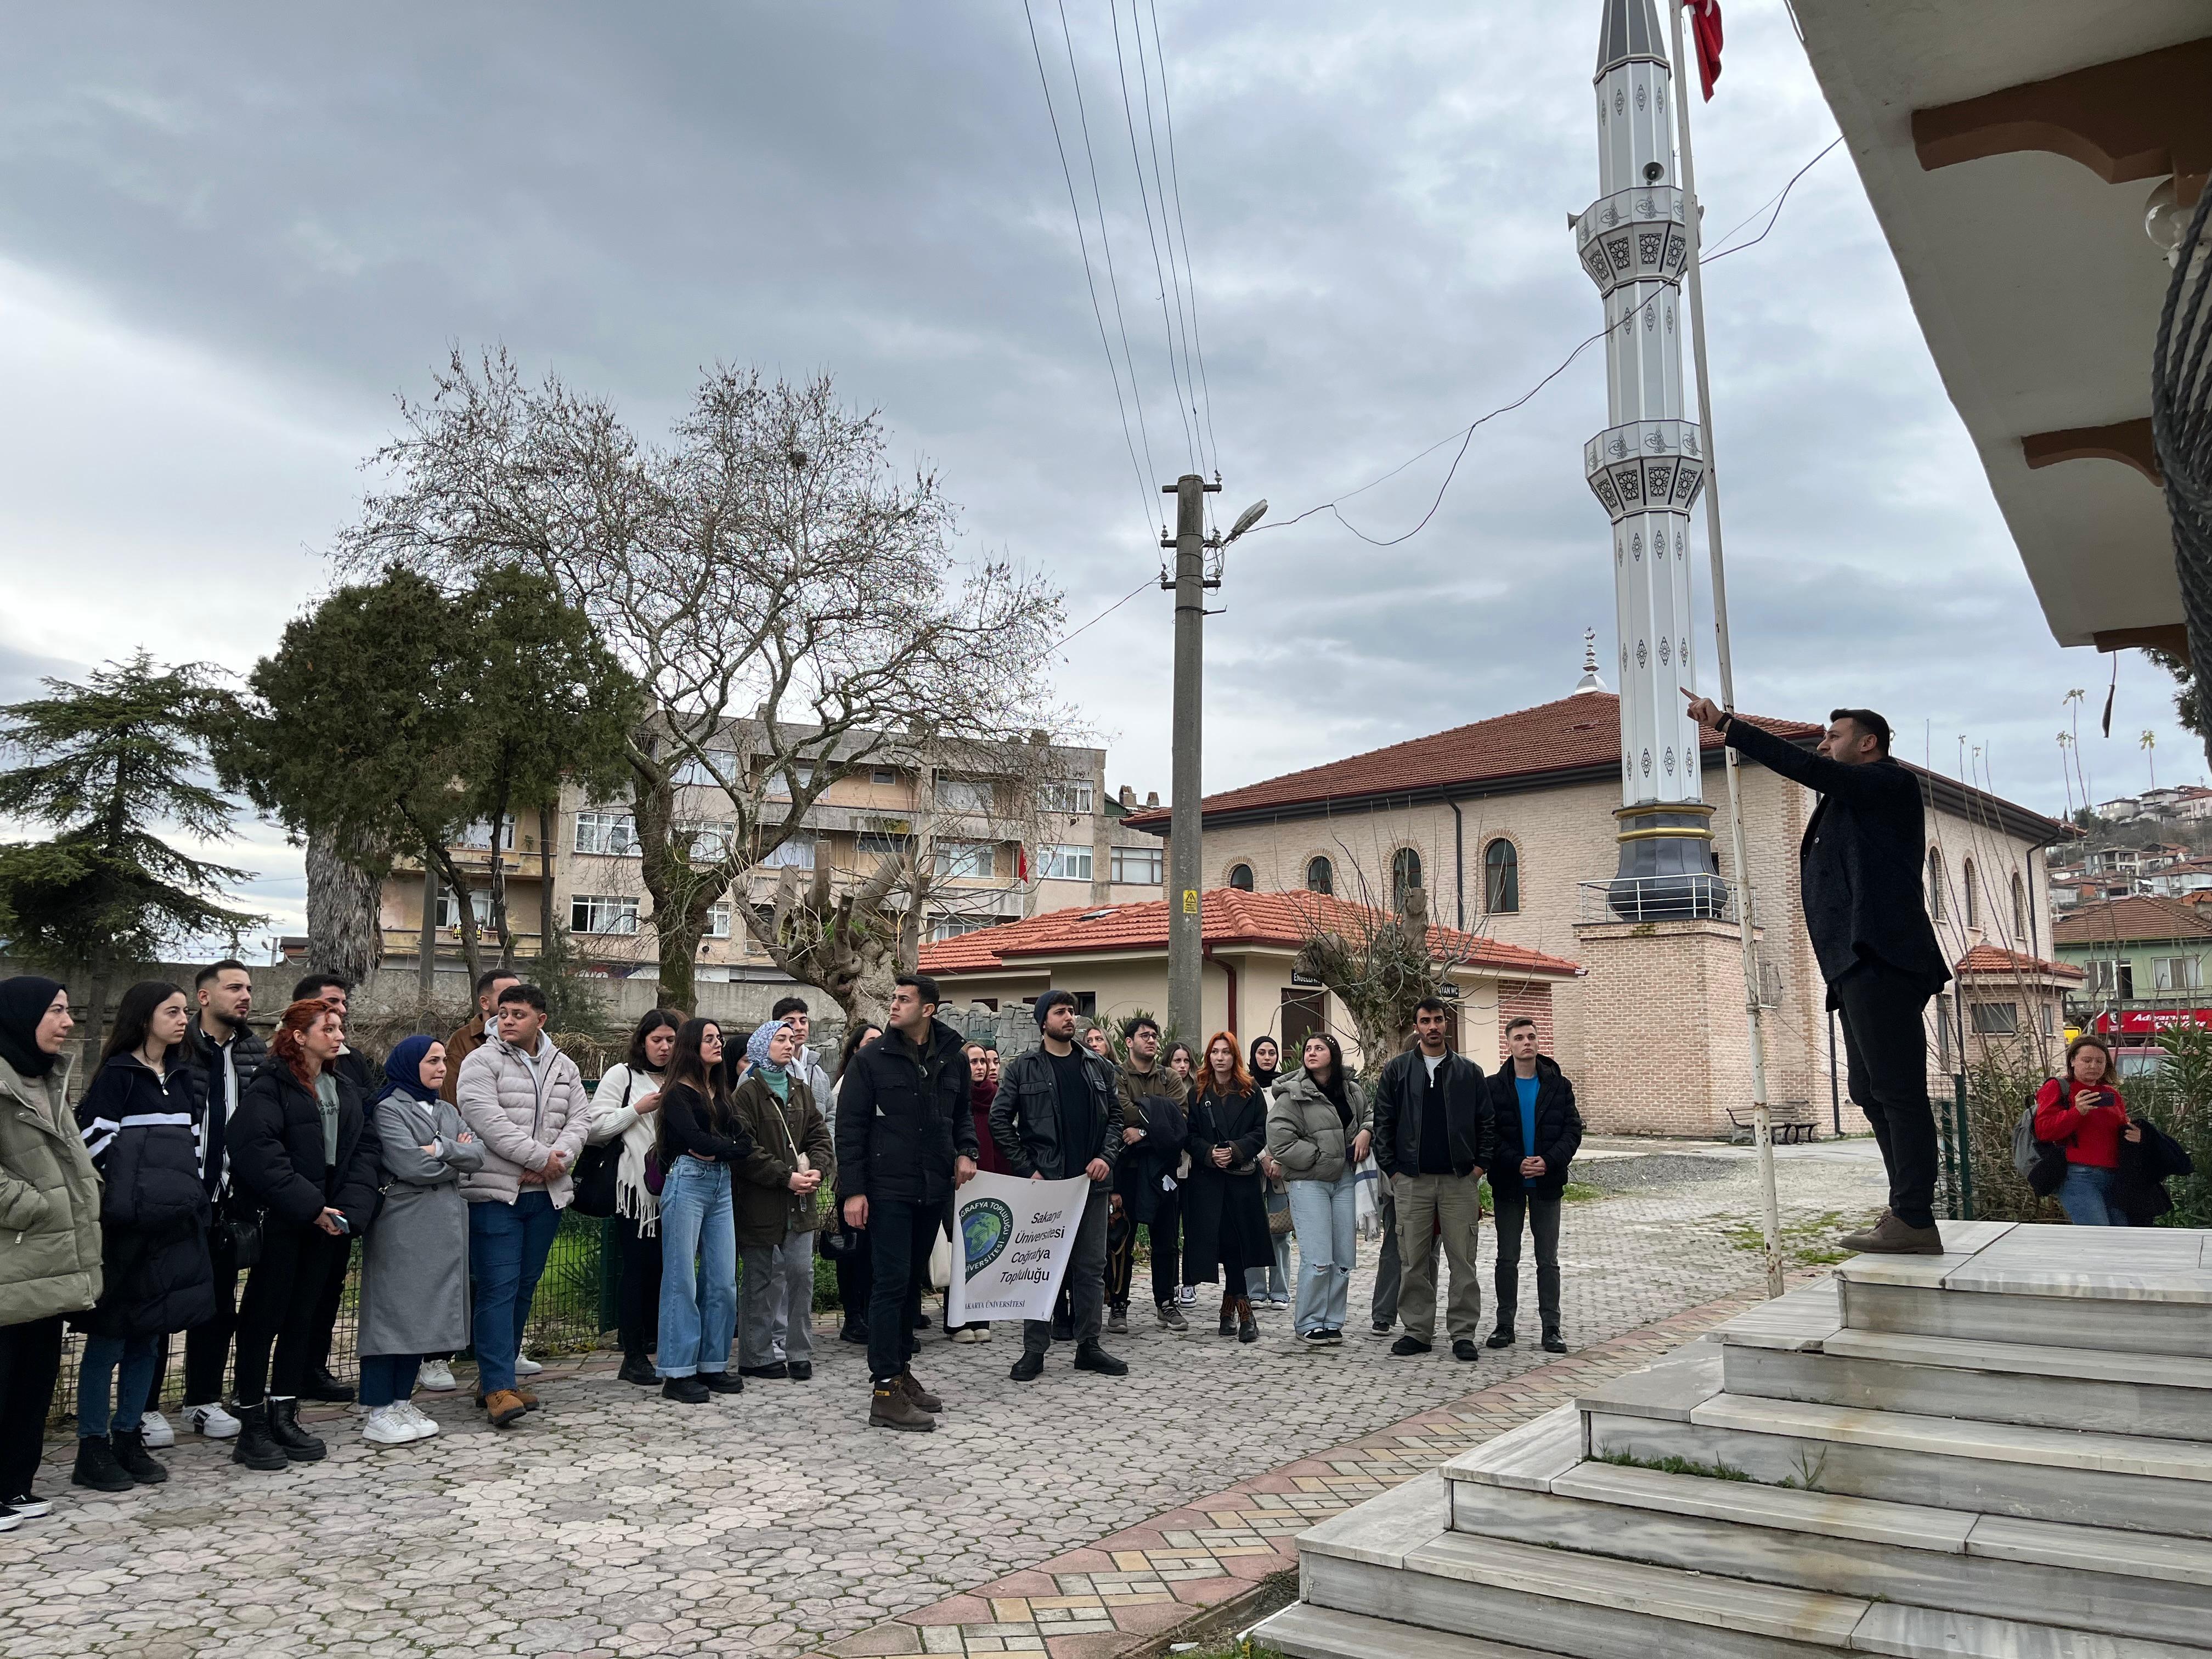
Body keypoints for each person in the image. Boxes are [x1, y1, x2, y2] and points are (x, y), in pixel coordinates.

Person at [1686, 694, 1952, 1254]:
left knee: (1898, 1092)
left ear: (1869, 743)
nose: (1824, 745)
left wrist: (1727, 726)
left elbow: (1809, 769)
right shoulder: (1851, 801)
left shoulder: (1888, 783)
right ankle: (1904, 1210)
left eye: (1834, 736)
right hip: (1854, 964)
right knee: (1869, 1089)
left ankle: (1914, 1215)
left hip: (1885, 957)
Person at [68, 981, 216, 1492]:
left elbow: (193, 1149)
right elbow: (90, 1146)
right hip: (125, 1232)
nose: (182, 1020)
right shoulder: (118, 1076)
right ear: (143, 1017)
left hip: (173, 1228)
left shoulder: (183, 1077)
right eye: (171, 1011)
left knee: (150, 1339)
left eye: (183, 1012)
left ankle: (128, 1436)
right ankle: (92, 1448)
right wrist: (138, 1190)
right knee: (107, 1339)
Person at [228, 996, 382, 1470]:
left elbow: (364, 1150)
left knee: (303, 1319)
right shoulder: (269, 1087)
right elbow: (257, 1151)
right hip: (281, 1223)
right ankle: (252, 1421)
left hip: (327, 1226)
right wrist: (311, 1207)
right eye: (329, 1028)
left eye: (340, 1027)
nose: (340, 1036)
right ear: (299, 1036)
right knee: (263, 1320)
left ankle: (285, 1411)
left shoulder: (344, 1086)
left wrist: (348, 1213)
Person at [837, 973, 980, 1431]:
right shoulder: (872, 1060)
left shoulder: (953, 1059)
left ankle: (901, 1373)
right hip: (886, 1189)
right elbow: (851, 1129)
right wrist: (854, 1191)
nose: (894, 1006)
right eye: (894, 998)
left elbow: (962, 1116)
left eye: (904, 999)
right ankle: (884, 1391)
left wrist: (966, 1151)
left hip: (932, 1187)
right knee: (889, 1285)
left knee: (911, 1284)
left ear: (930, 1008)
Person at [455, 982, 592, 1427]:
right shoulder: (480, 1061)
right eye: (503, 1012)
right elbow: (486, 1121)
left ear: (541, 1020)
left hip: (545, 1196)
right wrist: (540, 1159)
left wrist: (559, 1161)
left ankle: (500, 1376)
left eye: (517, 1014)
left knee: (524, 1287)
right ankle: (497, 1388)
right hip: (496, 1193)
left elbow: (581, 1120)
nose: (507, 1020)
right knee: (497, 1286)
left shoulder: (564, 1065)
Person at [145, 959, 262, 1445]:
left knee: (217, 1306)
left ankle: (203, 1400)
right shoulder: (177, 1046)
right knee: (161, 1303)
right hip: (179, 1198)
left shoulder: (254, 1051)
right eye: (234, 987)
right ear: (204, 997)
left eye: (250, 988)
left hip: (229, 1202)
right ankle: (145, 1408)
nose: (246, 996)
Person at [990, 990, 1127, 1381]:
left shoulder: (1097, 1067)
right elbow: (1001, 1121)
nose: (1070, 1017)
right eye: (1061, 1012)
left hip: (1091, 1185)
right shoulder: (1023, 1068)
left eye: (1072, 1011)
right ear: (1042, 1020)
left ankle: (1090, 1346)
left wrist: (1106, 1157)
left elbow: (1117, 1118)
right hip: (1046, 1186)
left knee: (1091, 1268)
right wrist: (1027, 1169)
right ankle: (1034, 1350)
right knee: (1039, 1268)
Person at [0, 978, 97, 1526]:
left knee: (35, 1382)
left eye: (68, 1011)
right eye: (56, 1011)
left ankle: (16, 1484)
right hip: (12, 1257)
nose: (67, 1022)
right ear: (20, 1016)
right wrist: (36, 1206)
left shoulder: (48, 1079)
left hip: (49, 1259)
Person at [357, 1037, 483, 1446]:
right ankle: (377, 1408)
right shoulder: (388, 1108)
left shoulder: (447, 1109)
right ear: (410, 1064)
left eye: (444, 1059)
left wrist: (440, 1149)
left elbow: (479, 1153)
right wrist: (455, 1157)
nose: (442, 1067)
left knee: (424, 1314)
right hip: (404, 1225)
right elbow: (410, 1164)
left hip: (445, 1224)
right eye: (432, 1060)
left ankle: (400, 1399)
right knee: (394, 1313)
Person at [1371, 998, 1492, 1363]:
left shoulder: (1469, 1072)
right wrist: (1394, 1170)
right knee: (1413, 1261)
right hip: (1412, 1181)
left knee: (1463, 1261)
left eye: (1438, 1019)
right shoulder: (1398, 1071)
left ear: (1446, 1023)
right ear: (1416, 1026)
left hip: (1459, 1180)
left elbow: (1488, 1124)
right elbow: (1383, 1124)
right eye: (1426, 1021)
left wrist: (1479, 1168)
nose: (1433, 1026)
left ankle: (1463, 1334)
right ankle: (1418, 1331)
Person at [290, 971, 377, 1402]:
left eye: (342, 1005)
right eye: (330, 1004)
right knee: (282, 1298)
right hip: (292, 1202)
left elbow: (366, 1128)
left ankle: (312, 1371)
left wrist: (352, 1204)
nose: (340, 1011)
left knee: (328, 1291)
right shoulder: (279, 1074)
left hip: (339, 1199)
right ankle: (262, 1388)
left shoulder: (352, 1063)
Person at [653, 1019, 749, 1402]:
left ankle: (712, 1364)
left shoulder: (721, 1092)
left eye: (719, 1038)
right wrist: (723, 1144)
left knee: (723, 1281)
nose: (718, 1043)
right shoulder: (677, 1093)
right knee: (682, 1280)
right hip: (687, 1182)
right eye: (709, 1038)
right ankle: (677, 1372)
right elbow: (692, 1140)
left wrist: (719, 1146)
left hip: (721, 1183)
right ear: (693, 1046)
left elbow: (743, 1141)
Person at [733, 1020, 835, 1381]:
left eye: (792, 1039)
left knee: (801, 1275)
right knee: (759, 1279)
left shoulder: (800, 1088)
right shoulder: (746, 1093)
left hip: (802, 1203)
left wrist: (818, 1171)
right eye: (780, 1039)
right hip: (762, 1203)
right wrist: (784, 1177)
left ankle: (799, 1352)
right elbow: (745, 1150)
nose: (789, 1045)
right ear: (762, 1044)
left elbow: (820, 1135)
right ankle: (756, 1355)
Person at [589, 1008, 678, 1386]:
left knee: (668, 1271)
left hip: (679, 1194)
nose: (664, 1047)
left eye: (671, 1040)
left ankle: (660, 1343)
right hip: (636, 1195)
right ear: (642, 1041)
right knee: (638, 1269)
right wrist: (635, 1110)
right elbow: (593, 1128)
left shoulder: (685, 1078)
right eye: (656, 1039)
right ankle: (633, 1354)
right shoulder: (623, 1076)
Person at [1486, 1016, 1584, 1352]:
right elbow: (1488, 1134)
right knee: (1506, 1258)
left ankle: (1551, 1327)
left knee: (1548, 1259)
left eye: (1531, 1037)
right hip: (1509, 1184)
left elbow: (1572, 1131)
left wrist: (1549, 1161)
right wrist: (1517, 1162)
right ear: (1509, 1044)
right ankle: (1504, 1325)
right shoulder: (1494, 1086)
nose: (1526, 1043)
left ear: (1538, 1041)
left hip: (1547, 1183)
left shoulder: (1559, 1085)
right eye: (1519, 1038)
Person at [1267, 1034, 1372, 1347]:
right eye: (1308, 1048)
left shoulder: (1352, 1090)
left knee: (1343, 1256)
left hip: (1345, 1181)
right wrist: (1321, 1157)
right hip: (1309, 1182)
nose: (1311, 1052)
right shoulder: (1293, 1094)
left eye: (1319, 1048)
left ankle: (1332, 1320)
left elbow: (1370, 1115)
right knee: (1317, 1257)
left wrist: (1367, 1130)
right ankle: (1309, 1322)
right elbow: (1280, 1139)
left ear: (1333, 1055)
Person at [1184, 1032, 1271, 1344]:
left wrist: (1234, 1149)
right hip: (1208, 1182)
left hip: (1241, 1179)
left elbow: (1261, 1132)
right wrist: (1210, 1153)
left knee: (1238, 1242)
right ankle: (1234, 1307)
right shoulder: (1198, 1092)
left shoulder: (1251, 1092)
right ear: (1209, 1057)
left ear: (1235, 1057)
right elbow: (1189, 1135)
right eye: (1215, 1052)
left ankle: (1239, 1308)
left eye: (1226, 1052)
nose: (1220, 1058)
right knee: (1221, 1243)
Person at [1113, 1015, 1187, 1333]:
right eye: (1145, 1036)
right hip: (1126, 1170)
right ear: (1129, 1042)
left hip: (1162, 1169)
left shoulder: (1169, 1075)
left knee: (1166, 1240)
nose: (1152, 1040)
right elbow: (1119, 1111)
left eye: (1155, 1036)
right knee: (1122, 1240)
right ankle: (1118, 1305)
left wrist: (1143, 1132)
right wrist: (1158, 1115)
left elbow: (1180, 1118)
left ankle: (1166, 1303)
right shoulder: (1118, 1074)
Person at [2033, 1035, 2139, 1227]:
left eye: (2100, 1061)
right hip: (2079, 1176)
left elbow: (2120, 1130)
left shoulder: (2111, 1094)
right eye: (2087, 1060)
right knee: (2098, 1238)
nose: (2093, 1066)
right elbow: (2044, 1132)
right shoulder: (2058, 1088)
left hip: (2115, 1176)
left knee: (2123, 1238)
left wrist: (2138, 1136)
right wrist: (2077, 1112)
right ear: (2073, 1061)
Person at [827, 1022, 883, 1346]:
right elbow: (842, 1137)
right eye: (870, 1041)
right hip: (852, 1182)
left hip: (883, 1183)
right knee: (853, 1253)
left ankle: (872, 1316)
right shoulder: (847, 1085)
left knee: (875, 1255)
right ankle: (853, 1317)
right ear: (855, 1049)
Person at [949, 1041, 1008, 1343]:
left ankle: (981, 1316)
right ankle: (957, 1321)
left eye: (984, 1061)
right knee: (960, 1251)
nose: (981, 1067)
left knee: (985, 1249)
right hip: (960, 1184)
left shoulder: (997, 1098)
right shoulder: (955, 1099)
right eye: (974, 1061)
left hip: (990, 1180)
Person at [1246, 1036, 1293, 1310]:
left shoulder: (1285, 1088)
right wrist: (1262, 1156)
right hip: (1251, 1165)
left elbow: (1291, 1126)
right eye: (1261, 1052)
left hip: (1282, 1166)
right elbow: (1243, 1127)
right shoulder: (1244, 1086)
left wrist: (1278, 1159)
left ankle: (1280, 1291)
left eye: (1272, 1052)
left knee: (1281, 1231)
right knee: (1251, 1228)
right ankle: (1255, 1290)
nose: (1267, 1057)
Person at [441, 969, 521, 1105]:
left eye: (520, 995)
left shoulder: (530, 1039)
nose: (517, 1002)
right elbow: (452, 1097)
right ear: (485, 1002)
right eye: (507, 996)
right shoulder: (463, 1040)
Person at [770, 995, 837, 1103]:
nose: (799, 1027)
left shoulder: (817, 1071)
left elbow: (831, 1111)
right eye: (791, 1022)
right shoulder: (762, 1070)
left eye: (803, 1021)